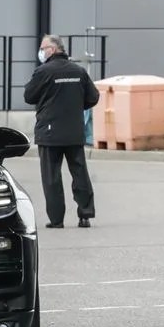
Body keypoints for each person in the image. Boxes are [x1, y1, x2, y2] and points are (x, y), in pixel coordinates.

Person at [24, 34, 101, 229]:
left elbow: (29, 96)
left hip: (49, 133)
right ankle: (85, 215)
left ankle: (57, 219)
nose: (41, 51)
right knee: (80, 173)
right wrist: (74, 106)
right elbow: (93, 97)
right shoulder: (79, 71)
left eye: (43, 47)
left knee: (52, 177)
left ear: (52, 49)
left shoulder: (43, 72)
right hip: (74, 131)